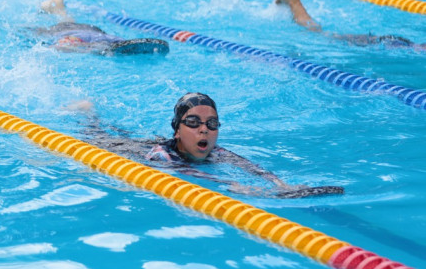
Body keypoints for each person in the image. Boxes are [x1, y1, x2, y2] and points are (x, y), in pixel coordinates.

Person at [77, 92, 343, 198]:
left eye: (211, 124)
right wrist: (229, 186)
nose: (204, 129)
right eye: (193, 122)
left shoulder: (216, 151)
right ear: (178, 130)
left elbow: (250, 166)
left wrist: (280, 185)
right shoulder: (161, 155)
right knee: (97, 133)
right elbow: (190, 173)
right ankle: (87, 111)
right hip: (120, 149)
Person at [275, 0, 425, 52]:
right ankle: (294, 3)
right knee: (322, 36)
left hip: (394, 42)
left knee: (324, 35)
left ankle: (295, 3)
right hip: (389, 43)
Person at [36, 0, 169, 56]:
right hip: (93, 32)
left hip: (84, 33)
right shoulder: (111, 41)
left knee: (64, 20)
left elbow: (53, 48)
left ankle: (57, 6)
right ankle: (57, 6)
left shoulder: (68, 38)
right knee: (65, 19)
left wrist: (87, 49)